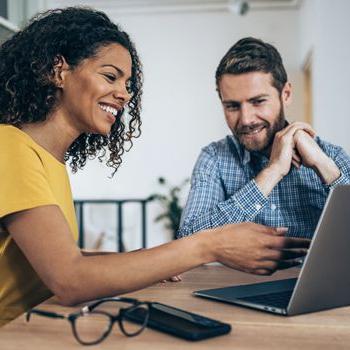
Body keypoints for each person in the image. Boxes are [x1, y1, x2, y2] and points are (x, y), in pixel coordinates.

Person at [0, 10, 310, 327]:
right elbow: (70, 279)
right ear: (58, 71)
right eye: (110, 76)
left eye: (128, 83)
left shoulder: (46, 159)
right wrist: (209, 244)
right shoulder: (10, 148)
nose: (124, 94)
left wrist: (154, 263)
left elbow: (59, 260)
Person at [178, 37, 350, 239]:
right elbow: (188, 239)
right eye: (232, 106)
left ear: (285, 94)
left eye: (258, 101)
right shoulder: (214, 158)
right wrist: (273, 170)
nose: (246, 119)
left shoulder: (330, 155)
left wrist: (326, 169)